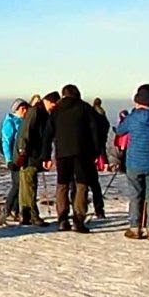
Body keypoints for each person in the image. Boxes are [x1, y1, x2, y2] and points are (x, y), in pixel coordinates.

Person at [40, 84, 99, 233]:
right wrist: (97, 152)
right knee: (81, 184)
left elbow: (47, 134)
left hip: (62, 153)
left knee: (62, 185)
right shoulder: (85, 108)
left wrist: (45, 155)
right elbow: (95, 131)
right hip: (82, 153)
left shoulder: (56, 110)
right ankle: (79, 219)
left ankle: (62, 219)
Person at [116, 84, 149, 240]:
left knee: (135, 195)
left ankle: (135, 228)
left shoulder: (132, 118)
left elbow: (120, 131)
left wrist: (125, 118)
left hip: (134, 163)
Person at [16, 92, 56, 226]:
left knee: (25, 186)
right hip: (29, 155)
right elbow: (25, 133)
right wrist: (22, 153)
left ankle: (25, 215)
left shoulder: (39, 112)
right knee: (30, 185)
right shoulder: (36, 112)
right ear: (49, 101)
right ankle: (33, 215)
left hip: (30, 154)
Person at [0, 99, 28, 222]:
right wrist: (9, 160)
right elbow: (6, 142)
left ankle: (15, 210)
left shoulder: (21, 121)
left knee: (20, 185)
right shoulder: (10, 122)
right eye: (24, 109)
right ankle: (7, 209)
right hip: (15, 158)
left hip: (21, 157)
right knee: (17, 184)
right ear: (19, 109)